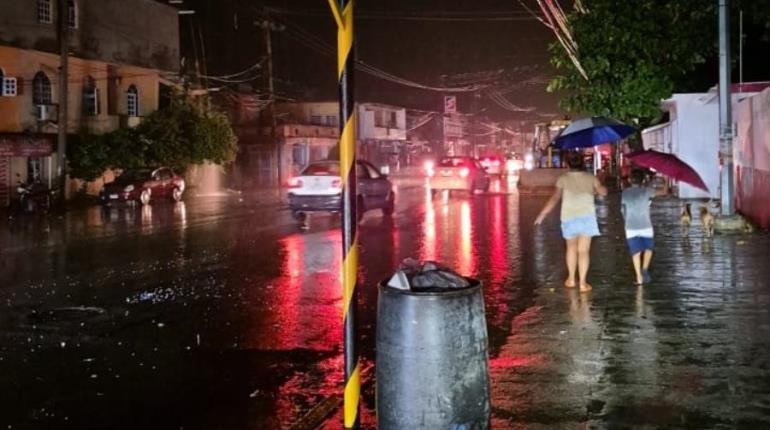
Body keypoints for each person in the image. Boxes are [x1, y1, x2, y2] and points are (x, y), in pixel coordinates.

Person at [535, 151, 607, 292]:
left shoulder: (563, 179)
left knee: (571, 248)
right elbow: (603, 192)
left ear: (567, 164)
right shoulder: (590, 177)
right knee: (583, 251)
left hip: (569, 217)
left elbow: (555, 198)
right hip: (587, 217)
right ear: (583, 163)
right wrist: (600, 182)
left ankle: (571, 279)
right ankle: (583, 284)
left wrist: (542, 214)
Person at [621, 169, 667, 285]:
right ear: (643, 181)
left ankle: (638, 277)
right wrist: (665, 180)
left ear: (630, 180)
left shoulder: (625, 193)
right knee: (649, 248)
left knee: (635, 252)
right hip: (645, 225)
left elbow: (623, 209)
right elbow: (664, 191)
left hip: (630, 226)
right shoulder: (647, 191)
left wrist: (626, 220)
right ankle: (645, 269)